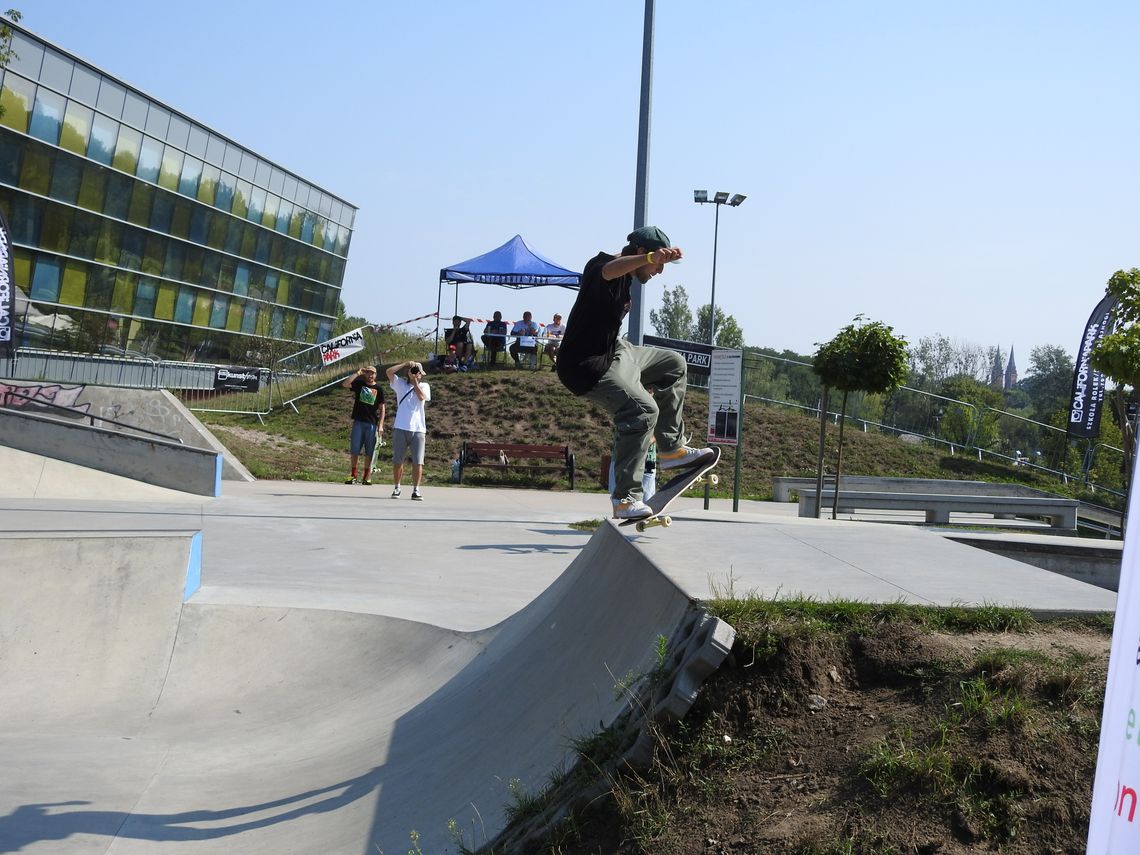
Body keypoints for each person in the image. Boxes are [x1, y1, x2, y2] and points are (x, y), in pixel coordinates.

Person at [556, 225, 713, 521]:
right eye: (658, 265)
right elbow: (611, 269)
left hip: (616, 352)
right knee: (642, 410)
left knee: (674, 364)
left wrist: (652, 259)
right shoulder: (600, 266)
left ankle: (671, 449)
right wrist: (649, 258)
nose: (659, 272)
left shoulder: (628, 278)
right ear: (643, 253)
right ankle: (626, 499)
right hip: (584, 367)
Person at [386, 359, 431, 500]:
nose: (415, 374)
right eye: (414, 372)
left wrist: (415, 382)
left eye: (418, 373)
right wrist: (405, 364)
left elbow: (422, 397)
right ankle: (397, 487)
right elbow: (389, 372)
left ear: (421, 375)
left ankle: (416, 490)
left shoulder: (424, 385)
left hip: (418, 429)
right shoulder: (400, 384)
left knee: (418, 461)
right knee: (398, 460)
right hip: (401, 427)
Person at [341, 365, 385, 485]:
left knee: (369, 451)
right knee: (355, 449)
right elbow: (345, 384)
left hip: (371, 423)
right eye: (368, 373)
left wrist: (381, 425)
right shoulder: (360, 384)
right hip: (358, 422)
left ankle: (367, 476)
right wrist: (358, 373)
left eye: (373, 373)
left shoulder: (379, 388)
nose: (370, 375)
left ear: (376, 375)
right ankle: (353, 474)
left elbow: (382, 408)